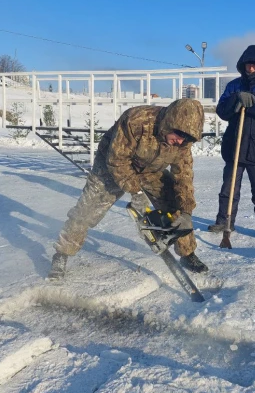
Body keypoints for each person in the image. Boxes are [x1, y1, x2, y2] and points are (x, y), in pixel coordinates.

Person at [48, 98, 209, 280]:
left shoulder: (183, 145)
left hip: (150, 169)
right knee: (87, 209)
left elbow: (184, 177)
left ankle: (187, 254)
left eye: (187, 138)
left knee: (175, 203)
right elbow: (117, 161)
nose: (180, 141)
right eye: (179, 134)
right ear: (169, 123)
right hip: (111, 166)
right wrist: (136, 191)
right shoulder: (137, 120)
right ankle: (62, 254)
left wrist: (186, 211)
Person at [208, 45, 255, 239]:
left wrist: (254, 102)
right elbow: (222, 112)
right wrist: (237, 99)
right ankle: (225, 222)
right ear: (243, 64)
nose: (251, 69)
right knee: (229, 189)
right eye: (248, 65)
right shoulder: (233, 86)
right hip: (235, 146)